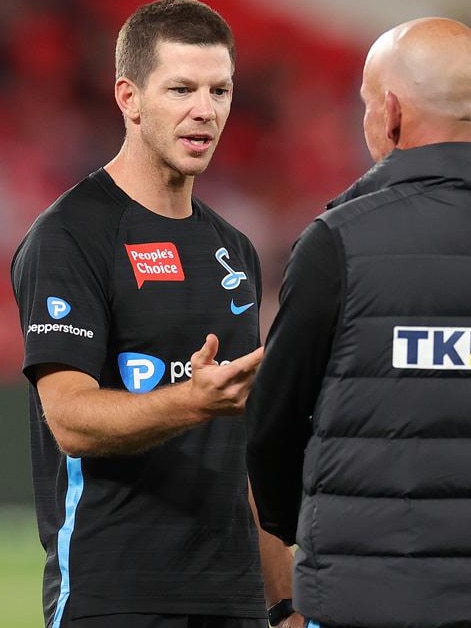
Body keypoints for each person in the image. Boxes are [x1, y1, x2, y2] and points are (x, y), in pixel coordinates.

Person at [10, 2, 303, 627]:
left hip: (234, 601)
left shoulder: (235, 248)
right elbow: (70, 419)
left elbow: (246, 448)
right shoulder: (70, 236)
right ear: (129, 97)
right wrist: (192, 402)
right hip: (114, 600)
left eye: (219, 90)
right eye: (182, 89)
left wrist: (282, 605)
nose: (207, 110)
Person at [246, 16, 471, 628]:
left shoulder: (338, 242)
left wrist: (307, 530)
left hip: (362, 598)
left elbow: (273, 424)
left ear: (391, 114)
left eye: (367, 105)